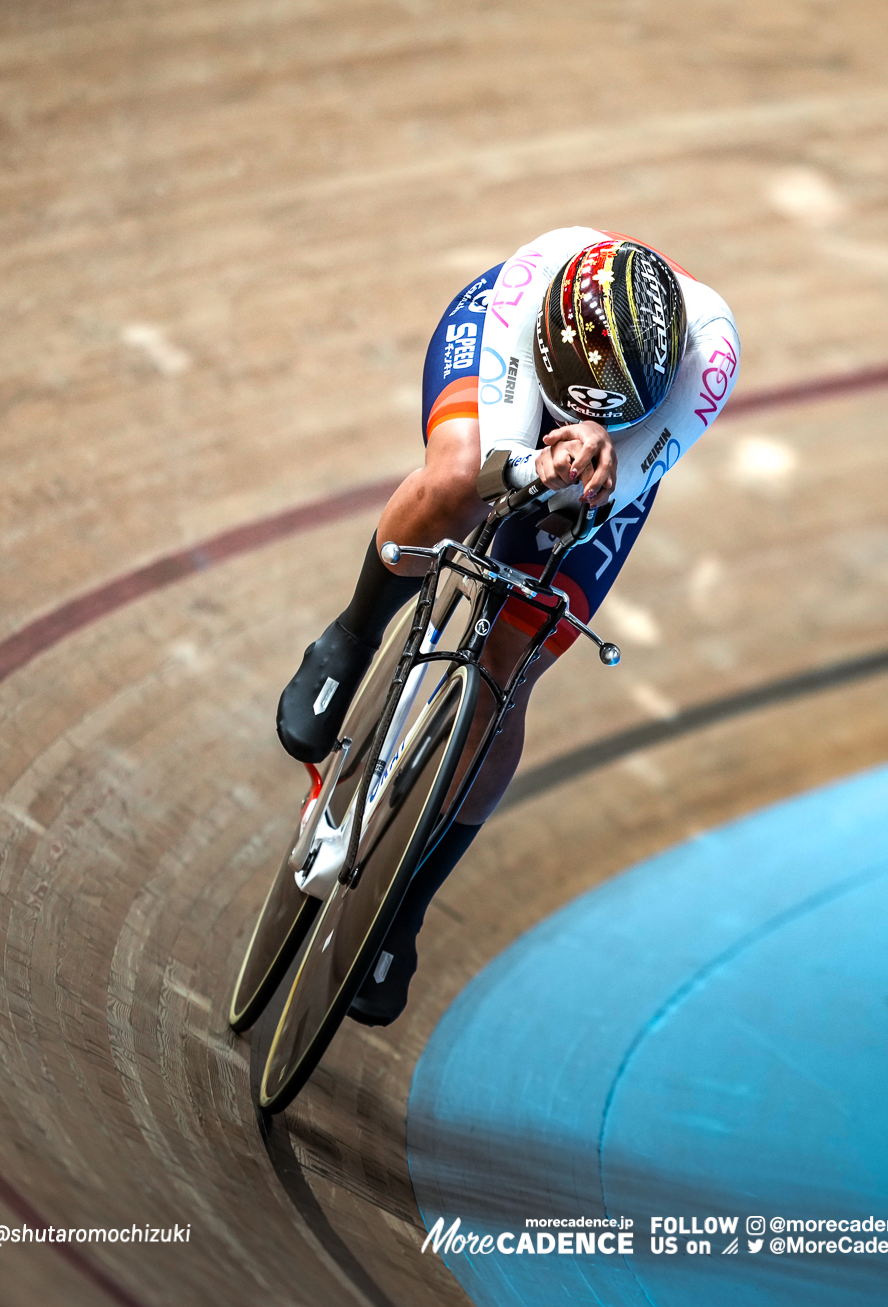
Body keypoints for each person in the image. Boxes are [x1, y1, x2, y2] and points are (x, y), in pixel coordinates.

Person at [275, 227, 740, 1024]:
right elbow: (496, 468)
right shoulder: (533, 285)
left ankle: (407, 907)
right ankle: (351, 636)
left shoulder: (710, 357)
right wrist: (528, 463)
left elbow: (610, 490)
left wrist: (594, 458)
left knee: (507, 670)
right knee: (458, 481)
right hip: (508, 361)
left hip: (621, 435)